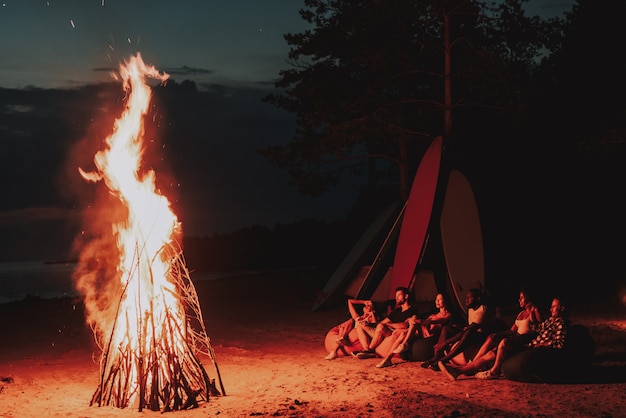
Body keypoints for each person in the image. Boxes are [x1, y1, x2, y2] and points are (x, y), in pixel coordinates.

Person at [439, 296, 568, 381]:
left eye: (554, 306)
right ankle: (459, 371)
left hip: (528, 344)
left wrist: (540, 345)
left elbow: (559, 343)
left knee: (502, 345)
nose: (551, 309)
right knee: (491, 349)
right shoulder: (549, 321)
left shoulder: (560, 324)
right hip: (524, 342)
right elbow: (536, 328)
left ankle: (489, 370)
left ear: (562, 308)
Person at [421, 288, 492, 371]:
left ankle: (444, 360)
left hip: (481, 335)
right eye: (466, 298)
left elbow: (471, 329)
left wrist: (445, 343)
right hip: (471, 331)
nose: (466, 300)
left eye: (469, 298)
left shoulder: (482, 310)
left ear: (478, 299)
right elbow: (468, 326)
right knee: (447, 328)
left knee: (467, 332)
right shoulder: (471, 308)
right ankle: (436, 357)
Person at [375, 292, 452, 368]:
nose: (437, 301)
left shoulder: (448, 314)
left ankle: (404, 344)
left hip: (430, 335)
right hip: (423, 331)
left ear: (445, 300)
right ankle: (388, 359)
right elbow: (425, 321)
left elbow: (439, 321)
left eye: (439, 299)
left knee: (413, 321)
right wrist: (413, 320)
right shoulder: (434, 315)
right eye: (436, 299)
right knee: (403, 333)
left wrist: (421, 321)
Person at [468, 286, 542, 362]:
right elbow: (512, 330)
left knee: (498, 346)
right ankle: (473, 361)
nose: (519, 300)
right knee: (491, 338)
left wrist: (533, 318)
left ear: (528, 298)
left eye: (521, 298)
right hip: (514, 336)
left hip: (522, 340)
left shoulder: (535, 310)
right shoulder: (521, 313)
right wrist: (497, 334)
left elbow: (541, 328)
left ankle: (474, 365)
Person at [353, 286, 418, 360]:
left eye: (399, 295)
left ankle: (369, 350)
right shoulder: (396, 311)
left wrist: (388, 325)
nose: (396, 298)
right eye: (396, 296)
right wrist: (369, 324)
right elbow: (381, 322)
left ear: (406, 296)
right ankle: (366, 349)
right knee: (360, 326)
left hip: (392, 332)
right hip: (383, 330)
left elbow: (405, 325)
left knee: (381, 327)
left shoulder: (412, 310)